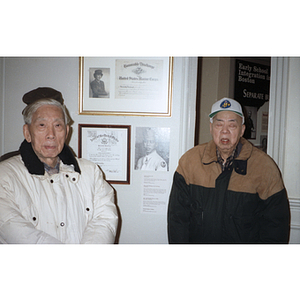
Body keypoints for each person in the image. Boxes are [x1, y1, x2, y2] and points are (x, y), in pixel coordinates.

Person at [0, 87, 118, 244]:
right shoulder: (5, 175)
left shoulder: (91, 172)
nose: (51, 134)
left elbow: (105, 221)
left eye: (58, 126)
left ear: (67, 132)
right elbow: (14, 229)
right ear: (27, 133)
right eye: (42, 125)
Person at [167, 97, 290, 243]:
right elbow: (177, 219)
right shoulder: (189, 162)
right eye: (219, 124)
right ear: (211, 128)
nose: (225, 131)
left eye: (232, 125)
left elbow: (276, 226)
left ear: (242, 130)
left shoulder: (264, 167)